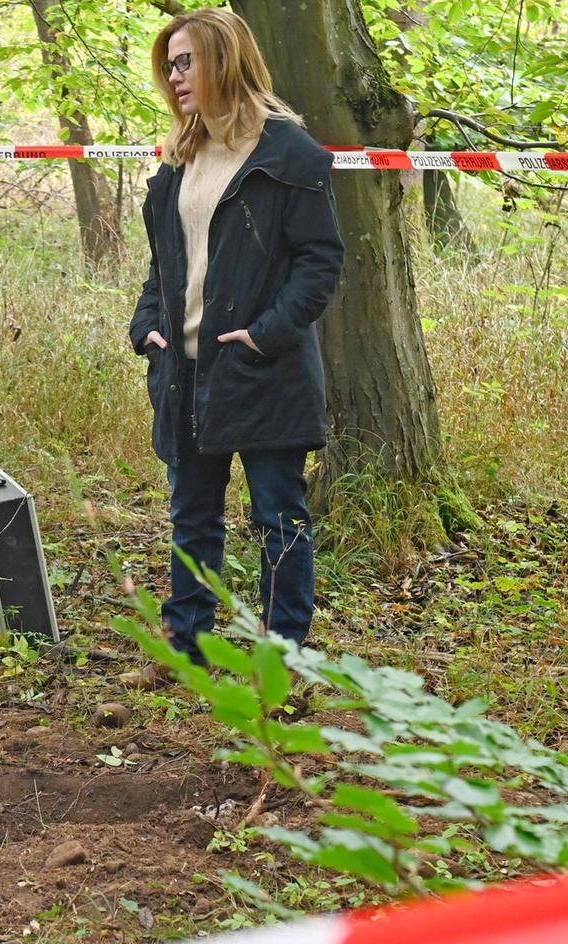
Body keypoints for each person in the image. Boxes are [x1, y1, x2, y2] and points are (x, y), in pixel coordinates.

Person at [126, 8, 343, 685]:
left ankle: (282, 663)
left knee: (280, 519)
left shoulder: (289, 154)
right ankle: (185, 649)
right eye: (170, 65)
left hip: (263, 370)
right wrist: (148, 326)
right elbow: (164, 263)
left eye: (186, 61)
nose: (175, 76)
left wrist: (264, 335)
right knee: (192, 516)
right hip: (185, 371)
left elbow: (320, 262)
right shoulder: (181, 155)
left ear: (224, 61)